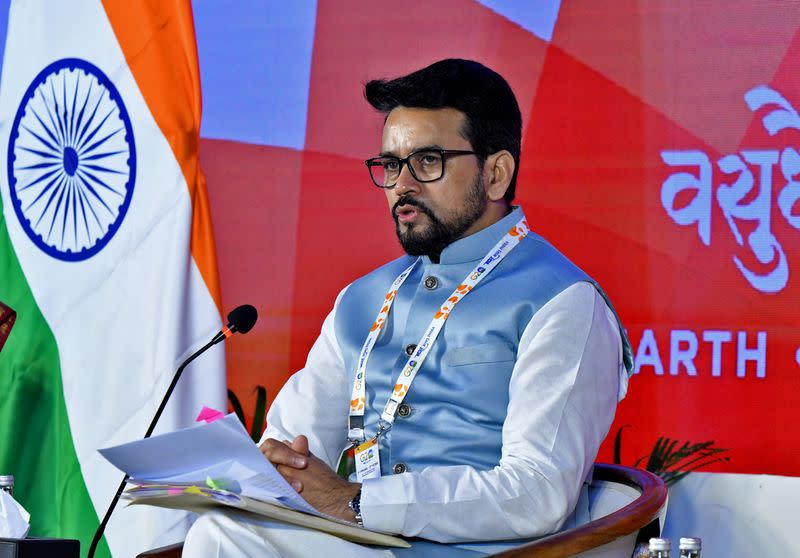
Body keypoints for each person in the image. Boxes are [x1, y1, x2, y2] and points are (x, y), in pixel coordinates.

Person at [183, 58, 633, 557]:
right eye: (392, 165)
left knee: (219, 541)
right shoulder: (362, 300)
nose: (403, 185)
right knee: (218, 530)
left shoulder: (562, 301)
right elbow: (293, 446)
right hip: (358, 542)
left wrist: (359, 502)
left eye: (428, 161)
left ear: (498, 173)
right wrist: (276, 466)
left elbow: (538, 491)